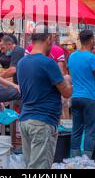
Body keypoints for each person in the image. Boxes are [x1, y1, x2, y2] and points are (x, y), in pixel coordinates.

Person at [17, 27, 72, 169]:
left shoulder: (22, 63)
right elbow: (66, 92)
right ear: (48, 39)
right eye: (52, 40)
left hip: (25, 120)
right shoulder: (48, 63)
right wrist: (76, 82)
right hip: (42, 122)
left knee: (30, 165)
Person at [68, 30, 95, 158]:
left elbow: (72, 76)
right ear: (92, 40)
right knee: (90, 129)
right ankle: (87, 160)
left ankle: (75, 159)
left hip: (76, 96)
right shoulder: (92, 57)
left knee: (76, 129)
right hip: (90, 97)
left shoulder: (72, 56)